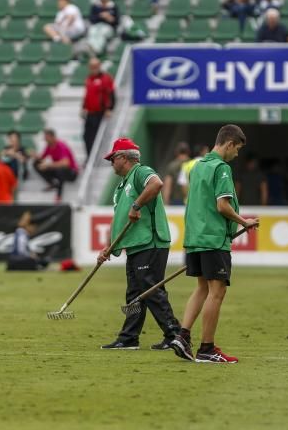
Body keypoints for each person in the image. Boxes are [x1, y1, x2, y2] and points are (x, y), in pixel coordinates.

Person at [170, 125, 259, 364]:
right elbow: (222, 206)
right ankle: (207, 348)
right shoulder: (221, 168)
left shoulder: (197, 166)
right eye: (237, 149)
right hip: (213, 238)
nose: (237, 154)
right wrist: (245, 222)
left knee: (202, 288)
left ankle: (182, 336)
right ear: (229, 144)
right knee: (217, 291)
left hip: (195, 237)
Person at [98, 138, 180, 351]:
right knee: (134, 293)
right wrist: (108, 247)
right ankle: (129, 338)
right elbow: (119, 219)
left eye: (112, 159)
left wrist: (136, 205)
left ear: (123, 157)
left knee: (151, 290)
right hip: (136, 245)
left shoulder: (141, 172)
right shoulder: (122, 185)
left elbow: (157, 184)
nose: (111, 164)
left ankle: (175, 334)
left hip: (150, 242)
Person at [81, 57, 115, 158]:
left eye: (95, 66)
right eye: (91, 67)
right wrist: (84, 107)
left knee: (97, 137)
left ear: (99, 66)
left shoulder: (105, 78)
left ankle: (97, 157)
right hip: (90, 113)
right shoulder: (89, 79)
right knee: (86, 136)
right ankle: (90, 157)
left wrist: (109, 108)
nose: (93, 68)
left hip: (100, 112)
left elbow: (111, 94)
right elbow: (87, 95)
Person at [34, 129, 79, 200]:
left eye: (46, 138)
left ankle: (59, 195)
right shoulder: (49, 146)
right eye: (45, 138)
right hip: (59, 170)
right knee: (36, 163)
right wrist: (34, 156)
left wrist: (48, 165)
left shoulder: (61, 145)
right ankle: (52, 183)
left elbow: (66, 163)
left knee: (60, 170)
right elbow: (41, 158)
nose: (45, 140)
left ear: (53, 137)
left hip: (71, 173)